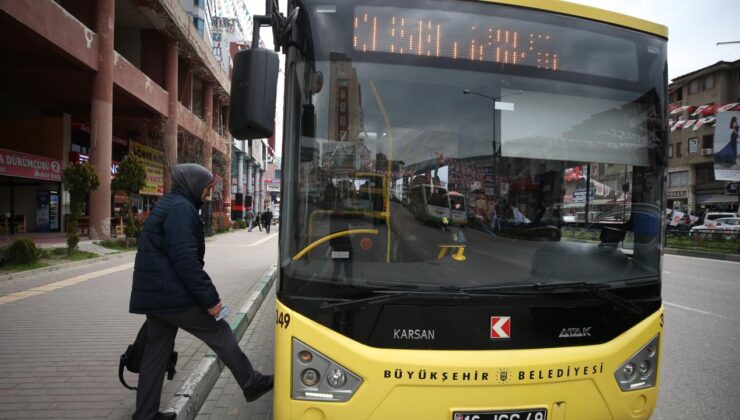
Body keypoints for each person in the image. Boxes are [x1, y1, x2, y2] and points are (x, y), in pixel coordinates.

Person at [130, 164, 272, 420]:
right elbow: (185, 261)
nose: (210, 193)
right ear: (194, 184)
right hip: (173, 295)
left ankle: (146, 415)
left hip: (157, 296)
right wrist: (211, 300)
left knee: (156, 353)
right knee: (220, 329)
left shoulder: (170, 205)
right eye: (207, 187)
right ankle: (251, 382)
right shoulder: (181, 210)